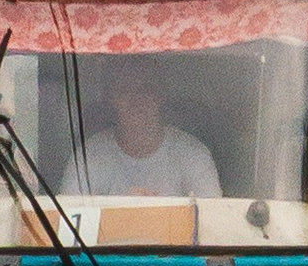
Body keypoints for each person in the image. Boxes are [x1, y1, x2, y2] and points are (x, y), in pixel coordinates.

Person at [81, 63, 222, 199]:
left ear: (162, 96)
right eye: (124, 90)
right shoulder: (88, 157)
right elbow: (66, 218)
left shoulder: (192, 154)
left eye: (146, 90)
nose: (136, 100)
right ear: (110, 99)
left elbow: (212, 219)